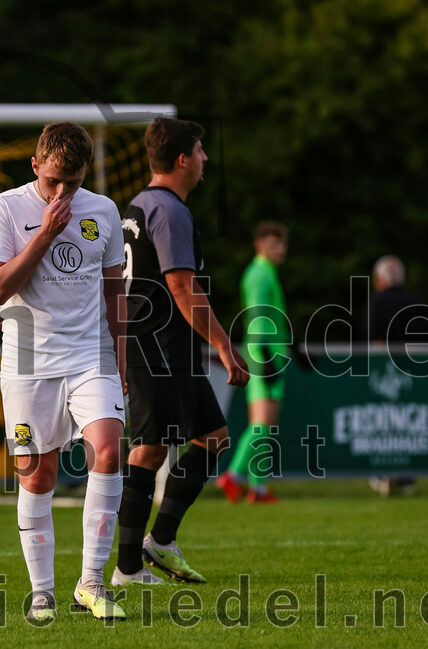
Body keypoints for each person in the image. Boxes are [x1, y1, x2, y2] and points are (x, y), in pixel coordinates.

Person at [0, 121, 127, 622]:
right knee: (37, 477)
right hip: (28, 362)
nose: (63, 191)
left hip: (92, 355)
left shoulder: (103, 210)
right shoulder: (5, 207)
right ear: (36, 165)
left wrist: (120, 359)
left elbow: (113, 293)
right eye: (54, 180)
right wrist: (44, 235)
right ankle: (42, 590)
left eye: (75, 181)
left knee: (109, 450)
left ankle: (91, 582)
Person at [115, 117, 249, 588]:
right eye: (200, 150)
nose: (206, 159)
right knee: (148, 451)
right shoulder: (168, 210)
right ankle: (127, 567)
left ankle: (161, 541)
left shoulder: (135, 206)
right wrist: (225, 349)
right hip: (157, 349)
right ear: (182, 159)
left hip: (163, 347)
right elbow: (181, 286)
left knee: (212, 436)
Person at [217, 221, 290, 504]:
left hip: (266, 352)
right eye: (274, 243)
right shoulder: (260, 274)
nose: (280, 249)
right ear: (260, 245)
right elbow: (259, 315)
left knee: (263, 425)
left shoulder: (265, 272)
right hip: (264, 354)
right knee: (262, 423)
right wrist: (265, 356)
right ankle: (233, 476)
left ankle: (258, 489)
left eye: (282, 243)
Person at [367, 255, 420, 495]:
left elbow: (371, 337)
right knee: (410, 425)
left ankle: (382, 473)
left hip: (382, 374)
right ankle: (407, 476)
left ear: (379, 280)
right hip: (412, 373)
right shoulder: (414, 302)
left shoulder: (377, 302)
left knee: (381, 424)